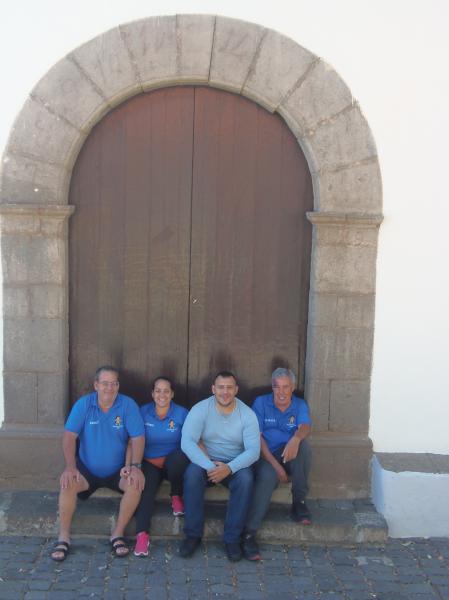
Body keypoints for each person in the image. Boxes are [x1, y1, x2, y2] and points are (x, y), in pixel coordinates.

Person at [50, 366, 145, 562]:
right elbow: (69, 437)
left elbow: (137, 438)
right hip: (87, 470)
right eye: (105, 383)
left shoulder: (127, 405)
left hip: (118, 470)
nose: (109, 388)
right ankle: (64, 536)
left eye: (114, 383)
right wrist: (70, 467)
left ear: (118, 385)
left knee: (135, 484)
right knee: (67, 483)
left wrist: (136, 467)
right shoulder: (84, 405)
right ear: (96, 385)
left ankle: (117, 534)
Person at [179, 371, 260, 562]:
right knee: (192, 475)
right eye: (221, 387)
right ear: (213, 389)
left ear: (236, 390)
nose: (225, 392)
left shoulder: (247, 414)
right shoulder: (201, 409)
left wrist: (229, 468)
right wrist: (210, 466)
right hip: (206, 461)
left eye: (229, 387)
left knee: (246, 479)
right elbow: (187, 442)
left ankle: (232, 539)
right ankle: (192, 535)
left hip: (235, 463)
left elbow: (253, 451)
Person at [241, 367, 312, 561]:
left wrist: (296, 439)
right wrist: (275, 465)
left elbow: (305, 426)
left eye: (286, 387)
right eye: (277, 387)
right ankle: (249, 533)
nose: (281, 392)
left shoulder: (299, 404)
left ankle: (299, 503)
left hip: (287, 453)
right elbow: (256, 437)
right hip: (264, 455)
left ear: (292, 387)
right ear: (272, 387)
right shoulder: (261, 403)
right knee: (268, 476)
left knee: (304, 448)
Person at [132, 376, 189, 557]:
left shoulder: (182, 413)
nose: (162, 395)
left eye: (166, 391)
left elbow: (190, 441)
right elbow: (134, 439)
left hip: (173, 462)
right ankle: (142, 536)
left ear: (172, 394)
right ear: (152, 393)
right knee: (146, 492)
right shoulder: (142, 412)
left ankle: (176, 494)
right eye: (158, 391)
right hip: (150, 462)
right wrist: (133, 465)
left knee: (179, 459)